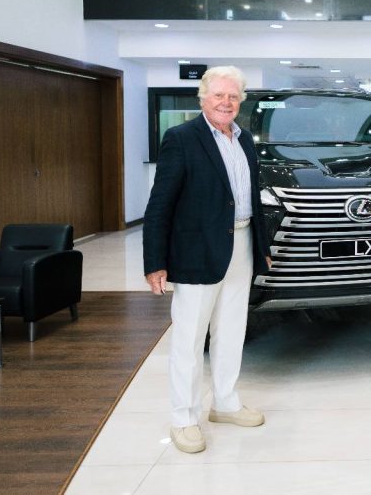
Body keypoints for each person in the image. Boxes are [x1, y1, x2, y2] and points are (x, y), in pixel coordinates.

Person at [143, 65, 272, 454]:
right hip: (197, 250)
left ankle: (225, 403)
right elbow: (160, 203)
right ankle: (184, 418)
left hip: (241, 244)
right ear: (203, 98)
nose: (226, 102)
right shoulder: (181, 138)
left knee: (232, 330)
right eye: (219, 95)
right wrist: (155, 260)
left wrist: (261, 245)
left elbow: (250, 199)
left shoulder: (244, 140)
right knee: (190, 336)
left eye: (233, 96)